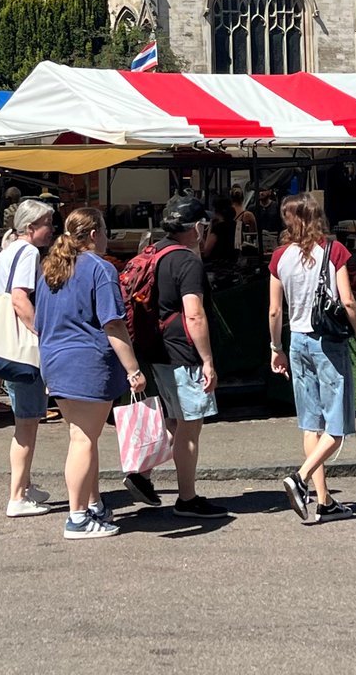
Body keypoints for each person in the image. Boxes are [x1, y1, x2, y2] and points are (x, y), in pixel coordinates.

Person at [37, 208, 146, 539]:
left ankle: (93, 504)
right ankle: (78, 516)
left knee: (83, 436)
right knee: (83, 439)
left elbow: (38, 322)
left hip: (54, 359)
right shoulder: (101, 268)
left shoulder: (50, 270)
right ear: (95, 233)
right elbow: (113, 323)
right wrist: (133, 369)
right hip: (87, 361)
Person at [268, 192, 356, 523]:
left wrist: (276, 347)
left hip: (297, 341)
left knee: (310, 422)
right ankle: (299, 479)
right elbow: (349, 302)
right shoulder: (334, 251)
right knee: (337, 426)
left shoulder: (279, 257)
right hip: (328, 342)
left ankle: (325, 501)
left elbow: (275, 310)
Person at [135, 194, 228, 519]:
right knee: (190, 426)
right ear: (195, 228)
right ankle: (187, 498)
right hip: (182, 352)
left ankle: (142, 474)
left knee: (175, 420)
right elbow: (194, 314)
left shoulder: (155, 251)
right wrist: (208, 360)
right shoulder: (187, 261)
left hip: (157, 348)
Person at [0, 198, 56, 518]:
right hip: (22, 348)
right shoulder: (28, 252)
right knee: (27, 423)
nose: (52, 230)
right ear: (31, 227)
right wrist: (42, 334)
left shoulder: (8, 250)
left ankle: (25, 485)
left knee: (24, 419)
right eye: (48, 224)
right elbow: (19, 299)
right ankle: (17, 496)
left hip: (6, 345)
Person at [201, 196, 236, 263]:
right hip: (232, 262)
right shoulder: (235, 224)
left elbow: (206, 251)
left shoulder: (218, 228)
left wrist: (211, 226)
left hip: (217, 264)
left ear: (216, 211)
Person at [230, 184, 257, 248]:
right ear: (243, 198)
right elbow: (254, 235)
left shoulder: (225, 215)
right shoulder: (248, 215)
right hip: (243, 249)